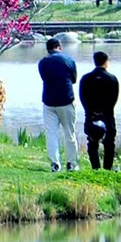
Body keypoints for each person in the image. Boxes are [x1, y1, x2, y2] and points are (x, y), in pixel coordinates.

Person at [38, 38, 79, 172]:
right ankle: (72, 164)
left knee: (51, 134)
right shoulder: (69, 60)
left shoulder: (42, 63)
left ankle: (55, 164)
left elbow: (44, 79)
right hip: (66, 101)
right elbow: (73, 79)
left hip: (49, 101)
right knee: (70, 133)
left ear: (48, 49)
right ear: (58, 47)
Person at [79, 51, 119, 170]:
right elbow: (114, 98)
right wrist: (106, 110)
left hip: (90, 114)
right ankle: (107, 168)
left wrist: (90, 111)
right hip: (107, 114)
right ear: (106, 62)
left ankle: (95, 168)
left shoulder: (86, 78)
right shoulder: (112, 78)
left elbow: (82, 97)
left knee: (92, 142)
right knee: (109, 143)